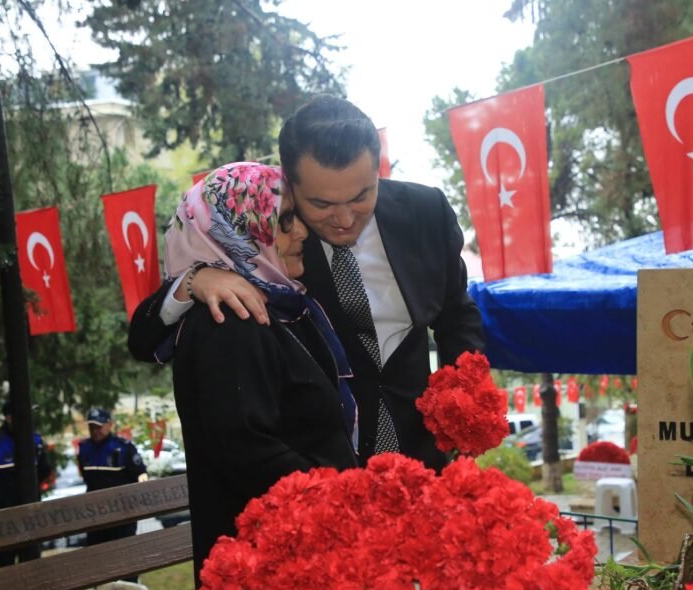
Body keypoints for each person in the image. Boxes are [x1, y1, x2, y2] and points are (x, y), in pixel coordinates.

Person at [129, 94, 484, 471]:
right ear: (290, 183)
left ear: (378, 170)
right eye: (322, 205)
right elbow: (144, 340)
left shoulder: (425, 212)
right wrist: (195, 278)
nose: (345, 219)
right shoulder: (272, 239)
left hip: (422, 450)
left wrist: (465, 400)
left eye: (362, 196)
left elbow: (456, 315)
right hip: (322, 466)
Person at [148, 161, 360, 588]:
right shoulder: (229, 321)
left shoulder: (280, 302)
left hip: (300, 551)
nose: (301, 232)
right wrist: (337, 504)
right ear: (240, 232)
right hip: (270, 568)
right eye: (282, 222)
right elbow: (245, 450)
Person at [0, 401, 51, 570]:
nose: (29, 419)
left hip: (31, 519)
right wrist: (0, 497)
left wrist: (30, 491)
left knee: (34, 570)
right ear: (10, 418)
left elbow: (45, 470)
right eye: (24, 414)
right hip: (3, 522)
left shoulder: (35, 440)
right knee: (4, 570)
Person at [77, 407, 148, 551]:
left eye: (99, 426)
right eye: (92, 427)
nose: (95, 430)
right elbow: (86, 478)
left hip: (122, 513)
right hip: (95, 515)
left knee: (125, 555)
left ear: (110, 424)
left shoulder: (123, 448)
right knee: (97, 556)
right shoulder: (84, 448)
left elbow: (141, 474)